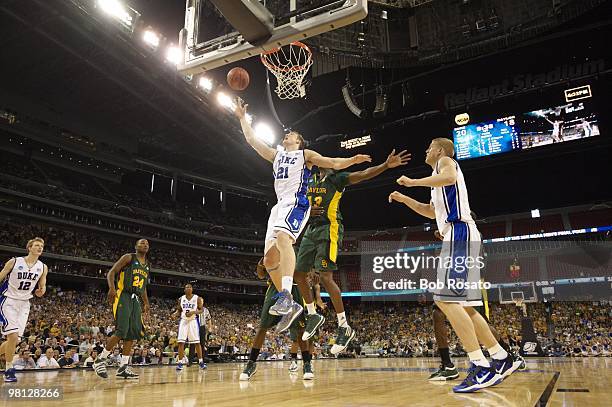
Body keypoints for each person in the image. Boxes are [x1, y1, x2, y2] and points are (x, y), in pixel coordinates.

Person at [389, 138, 520, 393]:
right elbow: (430, 211)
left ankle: (481, 367)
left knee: (445, 300)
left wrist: (413, 181)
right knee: (465, 306)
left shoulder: (445, 163)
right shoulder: (436, 180)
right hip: (459, 232)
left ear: (439, 150)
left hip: (459, 232)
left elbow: (448, 178)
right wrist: (406, 199)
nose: (426, 150)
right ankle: (501, 358)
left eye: (429, 147)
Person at [234, 97, 371, 330]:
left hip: (296, 203)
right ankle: (293, 305)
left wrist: (352, 160)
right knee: (269, 260)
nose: (286, 136)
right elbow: (251, 140)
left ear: (299, 141)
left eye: (292, 135)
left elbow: (332, 162)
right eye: (286, 135)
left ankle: (286, 296)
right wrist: (242, 118)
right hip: (279, 207)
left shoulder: (305, 155)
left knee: (283, 239)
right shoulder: (275, 155)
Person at [295, 149, 411, 354]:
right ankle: (312, 314)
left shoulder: (337, 179)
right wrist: (306, 210)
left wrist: (385, 165)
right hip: (310, 229)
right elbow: (300, 200)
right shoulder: (311, 178)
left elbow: (364, 174)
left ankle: (344, 326)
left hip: (329, 229)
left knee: (325, 276)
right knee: (298, 273)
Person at [239, 260, 313, 381]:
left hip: (295, 288)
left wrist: (310, 272)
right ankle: (251, 363)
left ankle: (307, 364)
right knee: (263, 327)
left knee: (300, 329)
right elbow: (261, 274)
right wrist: (260, 265)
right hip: (275, 289)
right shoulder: (273, 247)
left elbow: (307, 271)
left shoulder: (297, 250)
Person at [92, 239, 151, 379]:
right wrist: (112, 289)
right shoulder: (128, 257)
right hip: (123, 295)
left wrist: (146, 303)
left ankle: (123, 367)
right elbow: (111, 273)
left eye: (147, 244)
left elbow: (143, 288)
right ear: (136, 246)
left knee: (131, 334)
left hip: (136, 299)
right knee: (122, 330)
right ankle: (100, 360)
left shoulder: (147, 265)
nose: (145, 245)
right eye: (142, 243)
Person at [0, 237, 48, 382]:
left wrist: (42, 291)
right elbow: (1, 276)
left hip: (24, 303)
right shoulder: (14, 261)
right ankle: (9, 370)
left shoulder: (43, 267)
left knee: (14, 340)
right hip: (8, 300)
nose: (40, 248)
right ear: (30, 247)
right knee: (13, 337)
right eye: (37, 245)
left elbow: (43, 285)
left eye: (42, 246)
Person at [173, 284, 206, 370]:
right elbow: (179, 310)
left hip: (193, 321)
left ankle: (201, 362)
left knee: (197, 342)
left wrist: (193, 312)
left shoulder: (197, 298)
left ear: (192, 289)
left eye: (190, 287)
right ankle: (180, 363)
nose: (188, 288)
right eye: (187, 287)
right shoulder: (181, 299)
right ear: (184, 290)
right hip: (183, 321)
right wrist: (175, 313)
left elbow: (201, 310)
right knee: (181, 342)